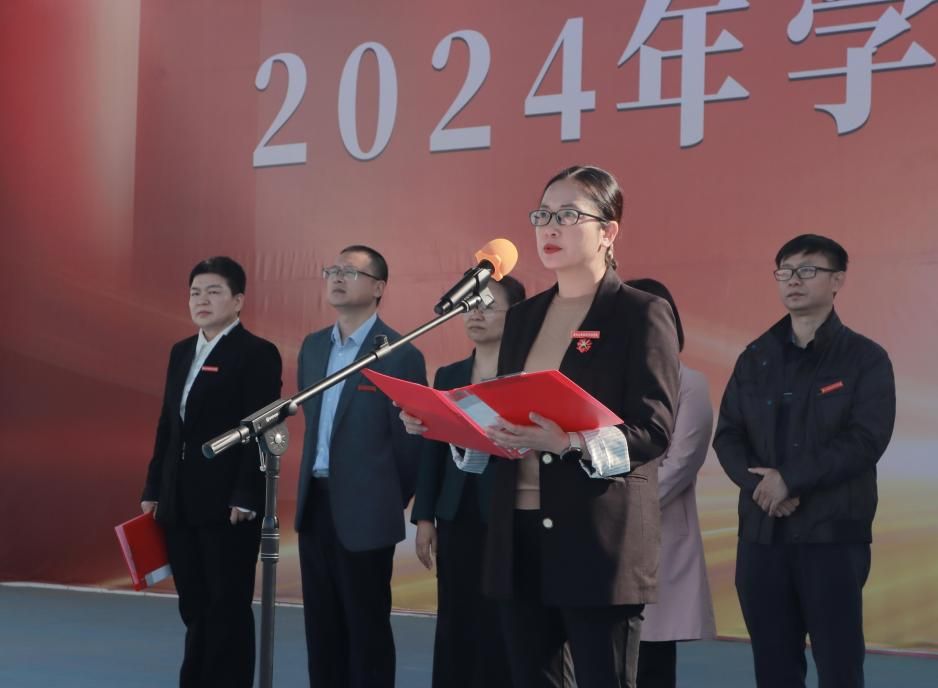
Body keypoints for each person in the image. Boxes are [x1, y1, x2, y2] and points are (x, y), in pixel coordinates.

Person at [404, 165, 679, 687]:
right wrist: (449, 427)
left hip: (596, 536)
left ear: (609, 231)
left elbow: (654, 432)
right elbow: (507, 426)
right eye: (543, 215)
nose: (549, 228)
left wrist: (570, 441)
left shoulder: (640, 313)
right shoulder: (524, 317)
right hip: (517, 533)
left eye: (567, 215)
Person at [713, 234, 896, 688]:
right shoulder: (755, 356)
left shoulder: (866, 359)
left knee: (839, 665)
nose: (794, 280)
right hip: (763, 535)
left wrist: (790, 481)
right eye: (785, 271)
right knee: (774, 666)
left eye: (808, 270)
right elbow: (728, 435)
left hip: (831, 537)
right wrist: (763, 488)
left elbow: (866, 440)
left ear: (838, 280)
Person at [141, 256, 283, 688]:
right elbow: (168, 426)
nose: (201, 300)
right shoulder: (181, 351)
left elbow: (260, 429)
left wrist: (247, 493)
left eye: (214, 292)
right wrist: (154, 487)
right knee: (194, 605)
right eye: (195, 293)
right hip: (179, 500)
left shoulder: (257, 353)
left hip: (228, 505)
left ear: (238, 300)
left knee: (227, 607)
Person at [295, 245, 427, 688]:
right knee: (321, 630)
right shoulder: (313, 347)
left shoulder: (399, 353)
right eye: (332, 270)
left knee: (366, 629)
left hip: (368, 512)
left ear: (378, 288)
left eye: (350, 272)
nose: (337, 278)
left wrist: (384, 497)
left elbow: (411, 447)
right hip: (316, 506)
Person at [408, 275, 526, 688]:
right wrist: (425, 517)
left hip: (510, 514)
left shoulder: (527, 375)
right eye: (470, 305)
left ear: (517, 315)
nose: (476, 313)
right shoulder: (450, 374)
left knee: (503, 621)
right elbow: (433, 450)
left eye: (488, 305)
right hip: (457, 512)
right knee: (456, 618)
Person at [625, 278, 716, 688]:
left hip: (654, 531)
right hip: (603, 536)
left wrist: (619, 501)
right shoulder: (604, 381)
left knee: (651, 658)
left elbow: (681, 464)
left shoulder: (689, 383)